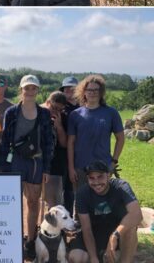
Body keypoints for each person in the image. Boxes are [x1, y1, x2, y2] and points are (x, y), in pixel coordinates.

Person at [0, 75, 55, 260]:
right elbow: (5, 141)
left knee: (33, 202)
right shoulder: (11, 112)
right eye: (26, 88)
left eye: (33, 88)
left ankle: (30, 241)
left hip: (36, 162)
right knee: (13, 203)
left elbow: (48, 143)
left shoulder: (44, 113)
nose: (30, 91)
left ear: (38, 90)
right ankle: (13, 240)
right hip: (15, 160)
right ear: (21, 89)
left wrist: (46, 168)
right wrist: (5, 167)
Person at [67, 161, 140, 263]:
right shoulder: (82, 193)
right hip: (94, 233)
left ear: (109, 175)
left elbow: (137, 214)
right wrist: (93, 258)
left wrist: (115, 234)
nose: (96, 182)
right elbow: (86, 229)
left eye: (100, 176)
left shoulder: (121, 187)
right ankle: (100, 256)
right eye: (91, 178)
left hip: (117, 232)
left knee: (130, 228)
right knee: (76, 258)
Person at [67, 75, 124, 192]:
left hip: (103, 168)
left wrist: (113, 163)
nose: (92, 93)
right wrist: (71, 168)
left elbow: (121, 138)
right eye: (89, 90)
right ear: (84, 92)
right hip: (80, 169)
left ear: (101, 92)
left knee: (103, 206)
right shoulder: (75, 115)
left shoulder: (111, 113)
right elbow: (70, 143)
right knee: (81, 205)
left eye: (96, 90)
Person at [42, 91, 71, 211]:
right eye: (53, 107)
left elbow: (65, 143)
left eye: (60, 109)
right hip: (36, 160)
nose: (55, 111)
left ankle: (56, 227)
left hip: (55, 163)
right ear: (47, 102)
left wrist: (58, 126)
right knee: (34, 198)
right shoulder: (37, 113)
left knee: (54, 201)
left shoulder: (63, 117)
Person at [59, 76, 81, 214]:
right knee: (63, 188)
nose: (69, 91)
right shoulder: (59, 108)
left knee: (77, 187)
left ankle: (77, 219)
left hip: (79, 151)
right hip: (61, 152)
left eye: (72, 88)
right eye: (66, 89)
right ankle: (64, 220)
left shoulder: (84, 107)